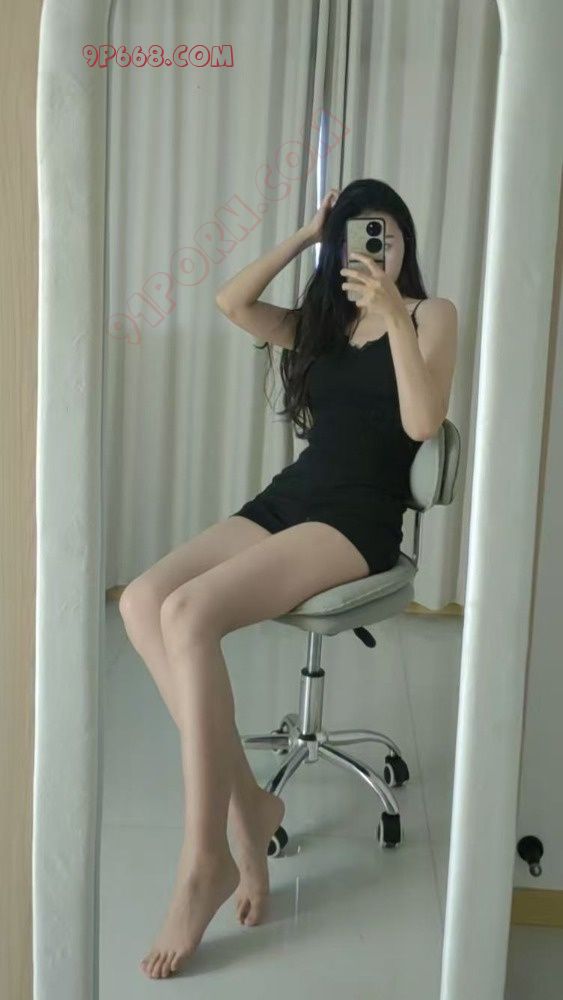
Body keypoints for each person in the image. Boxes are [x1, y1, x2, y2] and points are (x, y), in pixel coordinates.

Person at [120, 178, 457, 979]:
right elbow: (232, 304)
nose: (374, 246)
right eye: (358, 234)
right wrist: (306, 235)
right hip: (294, 497)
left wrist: (394, 312)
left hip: (356, 518)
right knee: (142, 601)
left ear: (404, 240)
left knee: (190, 614)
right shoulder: (322, 322)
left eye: (385, 232)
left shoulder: (430, 314)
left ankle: (207, 857)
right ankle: (252, 805)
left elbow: (420, 422)